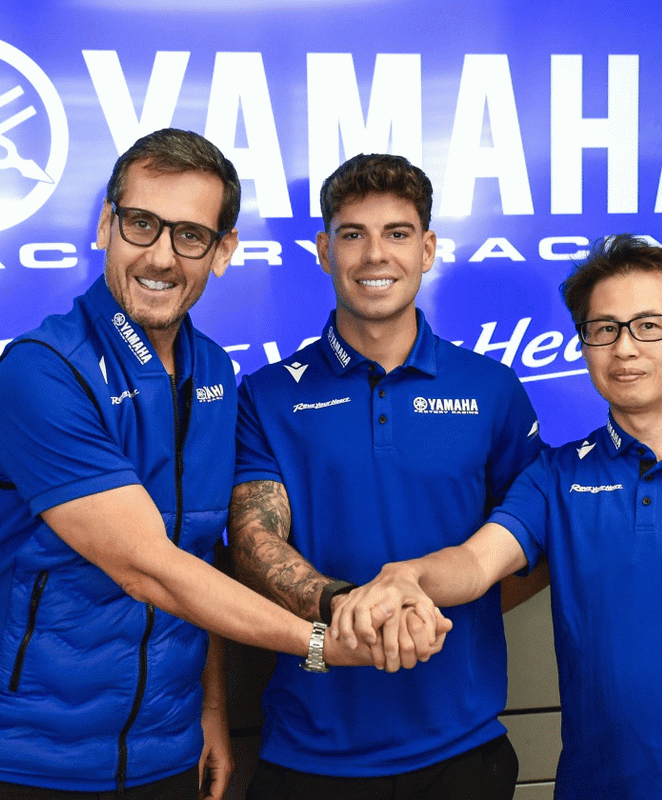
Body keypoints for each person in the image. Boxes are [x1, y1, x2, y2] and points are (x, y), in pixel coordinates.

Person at [0, 129, 401, 800]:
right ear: (106, 225)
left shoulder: (215, 373)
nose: (160, 256)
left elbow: (197, 557)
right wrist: (320, 642)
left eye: (190, 236)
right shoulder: (42, 372)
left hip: (165, 755)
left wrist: (210, 711)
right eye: (142, 224)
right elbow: (147, 566)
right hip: (17, 761)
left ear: (223, 251)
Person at [333, 234, 662, 799]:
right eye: (604, 330)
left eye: (649, 326)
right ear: (584, 346)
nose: (624, 349)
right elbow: (476, 564)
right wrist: (408, 575)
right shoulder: (556, 475)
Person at [228, 153, 548, 800]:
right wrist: (354, 609)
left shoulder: (493, 389)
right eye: (353, 234)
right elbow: (254, 542)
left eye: (397, 233)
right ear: (325, 251)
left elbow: (533, 541)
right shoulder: (266, 395)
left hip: (462, 750)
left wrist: (429, 612)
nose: (376, 254)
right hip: (309, 754)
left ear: (427, 249)